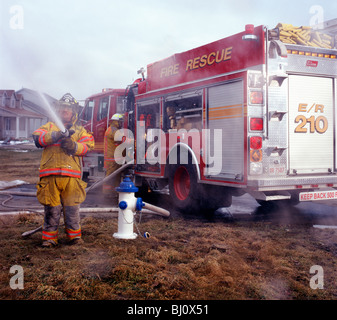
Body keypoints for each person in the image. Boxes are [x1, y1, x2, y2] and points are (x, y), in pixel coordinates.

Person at [32, 93, 94, 247]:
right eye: (62, 108)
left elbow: (87, 146)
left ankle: (74, 237)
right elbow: (38, 139)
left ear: (74, 112)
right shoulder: (48, 127)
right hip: (50, 176)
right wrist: (56, 135)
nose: (65, 111)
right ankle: (49, 239)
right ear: (57, 110)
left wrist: (74, 146)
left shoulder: (80, 131)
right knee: (51, 209)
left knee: (72, 208)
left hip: (71, 177)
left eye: (68, 109)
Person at [103, 113, 125, 204]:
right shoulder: (114, 130)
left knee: (115, 176)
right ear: (117, 121)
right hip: (112, 158)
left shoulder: (110, 129)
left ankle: (113, 192)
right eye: (120, 122)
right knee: (111, 177)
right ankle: (107, 194)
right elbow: (121, 140)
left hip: (112, 157)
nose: (121, 123)